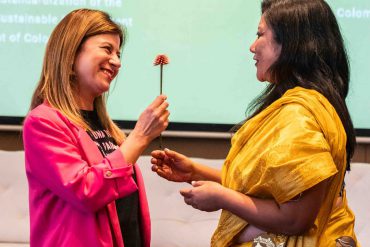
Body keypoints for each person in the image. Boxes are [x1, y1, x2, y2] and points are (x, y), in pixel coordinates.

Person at [151, 0, 359, 246]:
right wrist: (195, 172)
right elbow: (269, 188)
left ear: (291, 43)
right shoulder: (310, 104)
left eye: (260, 35)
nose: (252, 47)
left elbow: (295, 219)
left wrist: (221, 198)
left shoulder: (299, 115)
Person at [23, 9, 169, 247]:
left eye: (118, 53)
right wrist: (140, 138)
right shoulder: (43, 122)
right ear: (71, 54)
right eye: (107, 49)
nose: (117, 62)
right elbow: (86, 191)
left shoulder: (105, 126)